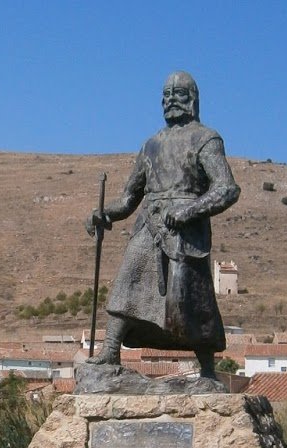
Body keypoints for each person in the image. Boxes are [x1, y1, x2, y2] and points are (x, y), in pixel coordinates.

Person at [86, 71, 240, 380]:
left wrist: (190, 210)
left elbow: (227, 188)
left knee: (194, 299)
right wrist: (104, 213)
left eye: (179, 93)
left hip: (187, 233)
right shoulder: (151, 145)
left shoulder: (206, 139)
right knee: (127, 284)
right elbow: (130, 197)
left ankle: (208, 370)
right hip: (150, 225)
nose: (171, 100)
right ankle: (110, 351)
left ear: (193, 100)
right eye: (166, 95)